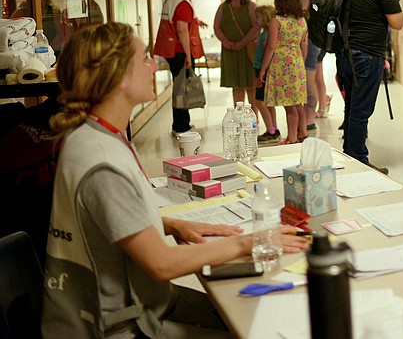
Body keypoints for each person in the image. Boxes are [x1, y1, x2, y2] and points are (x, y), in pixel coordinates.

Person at [41, 22, 309, 339]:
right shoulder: (101, 160)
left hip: (144, 303)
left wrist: (171, 225)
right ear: (118, 77)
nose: (155, 64)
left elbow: (108, 217)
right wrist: (250, 241)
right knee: (261, 327)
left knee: (256, 312)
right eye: (144, 58)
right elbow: (162, 264)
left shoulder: (93, 135)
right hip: (119, 325)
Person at [337, 0, 403, 174]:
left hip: (343, 54)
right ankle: (358, 160)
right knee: (361, 111)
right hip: (368, 55)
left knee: (351, 105)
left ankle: (348, 155)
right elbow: (397, 22)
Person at [153, 0, 205, 135]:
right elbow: (182, 30)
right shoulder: (182, 2)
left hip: (171, 50)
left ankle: (181, 124)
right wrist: (188, 56)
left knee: (179, 86)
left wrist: (196, 21)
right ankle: (182, 126)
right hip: (179, 51)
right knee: (182, 88)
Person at [259, 0, 308, 145]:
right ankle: (296, 135)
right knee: (295, 102)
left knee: (289, 106)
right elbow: (304, 45)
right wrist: (301, 62)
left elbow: (271, 47)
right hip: (297, 62)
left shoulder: (277, 21)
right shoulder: (301, 20)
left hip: (281, 64)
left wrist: (263, 69)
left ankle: (292, 138)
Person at [213, 0, 259, 109]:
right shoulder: (223, 7)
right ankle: (239, 115)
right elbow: (216, 26)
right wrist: (225, 41)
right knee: (236, 86)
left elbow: (256, 27)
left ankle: (253, 117)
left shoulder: (251, 5)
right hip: (230, 50)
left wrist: (242, 43)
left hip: (248, 50)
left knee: (251, 86)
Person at [287, 0, 322, 131]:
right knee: (312, 78)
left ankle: (309, 119)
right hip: (311, 36)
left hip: (308, 37)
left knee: (309, 79)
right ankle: (309, 118)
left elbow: (300, 10)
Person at [252, 4, 280, 144]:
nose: (255, 19)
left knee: (259, 100)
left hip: (262, 69)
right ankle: (273, 128)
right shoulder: (264, 33)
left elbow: (267, 52)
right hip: (263, 69)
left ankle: (270, 129)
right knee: (268, 102)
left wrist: (262, 71)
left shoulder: (267, 35)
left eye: (258, 17)